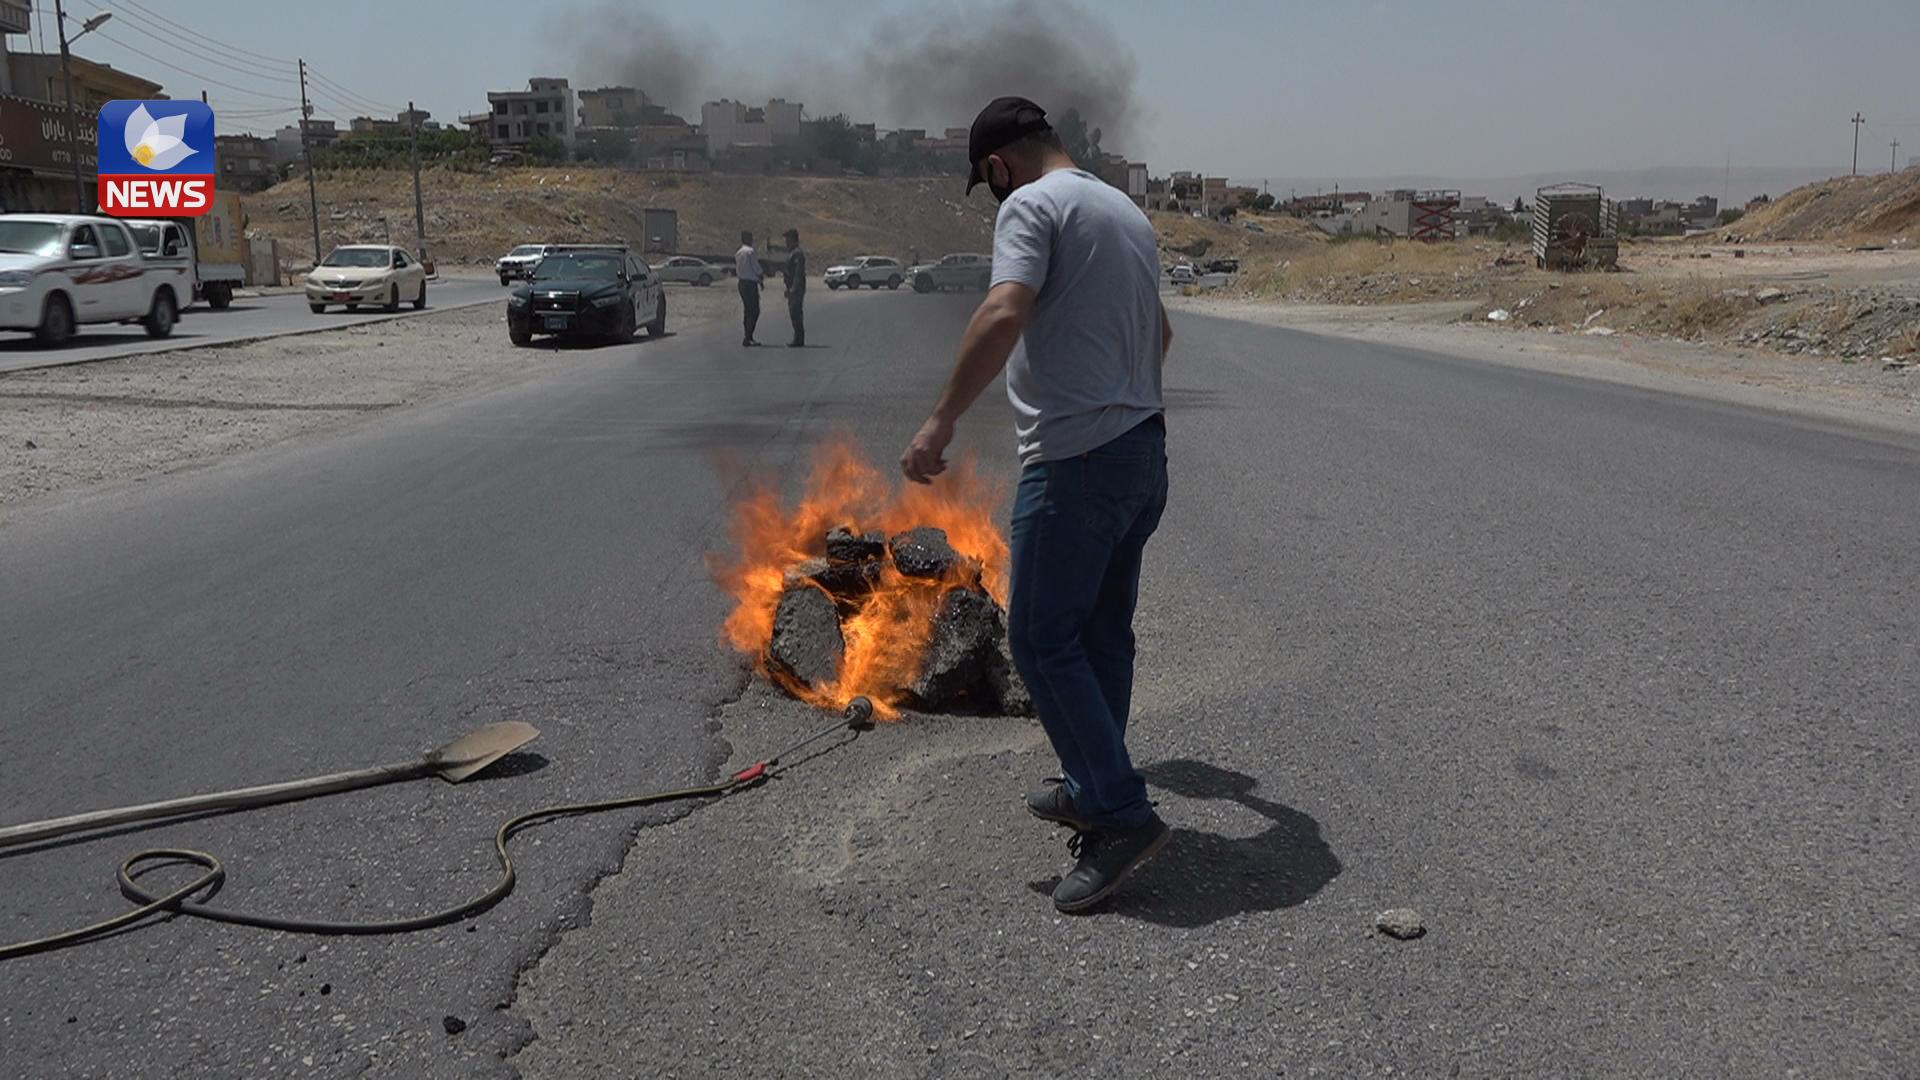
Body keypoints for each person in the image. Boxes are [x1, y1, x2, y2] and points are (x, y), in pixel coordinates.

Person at [899, 96, 1174, 914]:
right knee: (1097, 633)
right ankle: (1095, 780)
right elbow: (1159, 335)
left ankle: (1120, 815)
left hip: (1077, 461)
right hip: (1140, 452)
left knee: (1040, 638)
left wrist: (940, 419)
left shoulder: (1032, 203)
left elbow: (1004, 309)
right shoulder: (1124, 210)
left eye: (988, 184)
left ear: (996, 166)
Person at [734, 231, 764, 346]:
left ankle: (747, 336)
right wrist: (761, 278)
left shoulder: (738, 253)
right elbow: (756, 268)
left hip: (741, 283)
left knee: (747, 310)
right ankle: (749, 336)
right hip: (750, 284)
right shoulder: (750, 251)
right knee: (754, 310)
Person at [782, 228, 806, 348]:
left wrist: (793, 289)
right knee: (794, 312)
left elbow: (798, 273)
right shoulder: (792, 253)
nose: (786, 242)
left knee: (796, 312)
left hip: (796, 289)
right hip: (792, 287)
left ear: (793, 239)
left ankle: (799, 339)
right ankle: (798, 337)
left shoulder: (797, 254)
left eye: (787, 239)